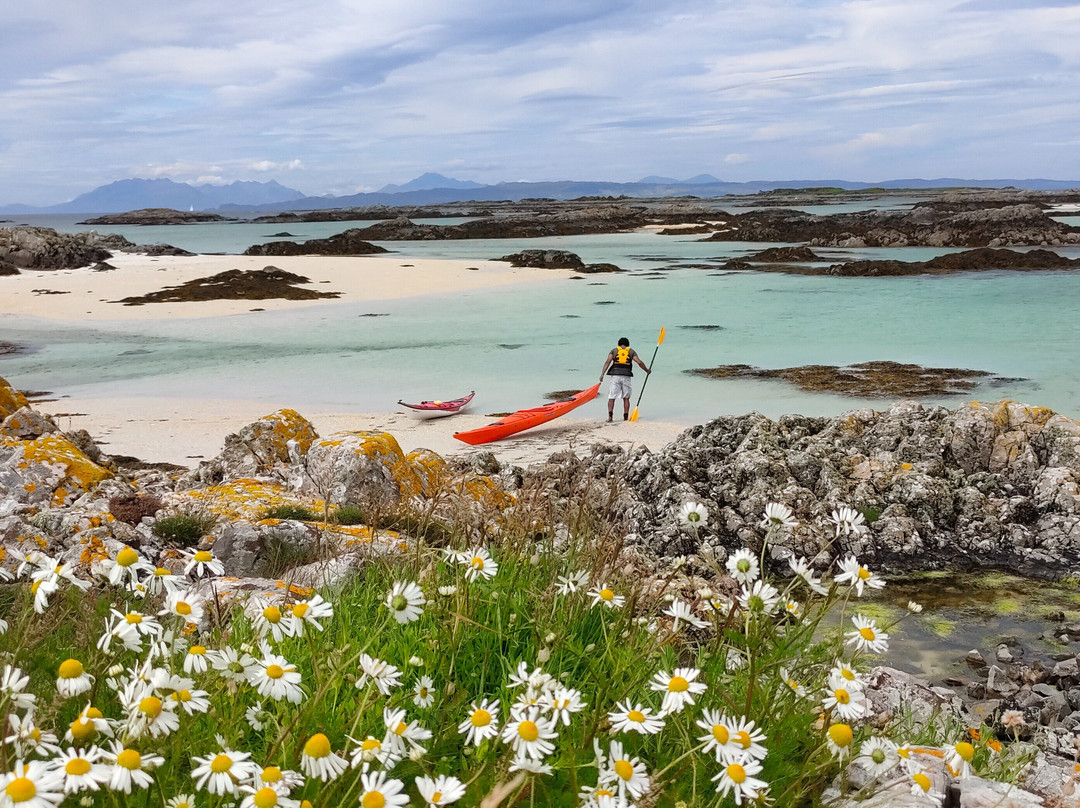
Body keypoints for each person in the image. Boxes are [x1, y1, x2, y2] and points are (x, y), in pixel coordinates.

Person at [599, 337, 651, 422]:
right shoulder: (631, 351)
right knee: (626, 398)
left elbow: (607, 362)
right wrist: (647, 370)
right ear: (628, 344)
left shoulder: (614, 351)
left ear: (619, 344)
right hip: (626, 376)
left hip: (615, 376)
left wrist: (602, 374)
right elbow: (639, 362)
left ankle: (610, 417)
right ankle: (625, 417)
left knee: (611, 397)